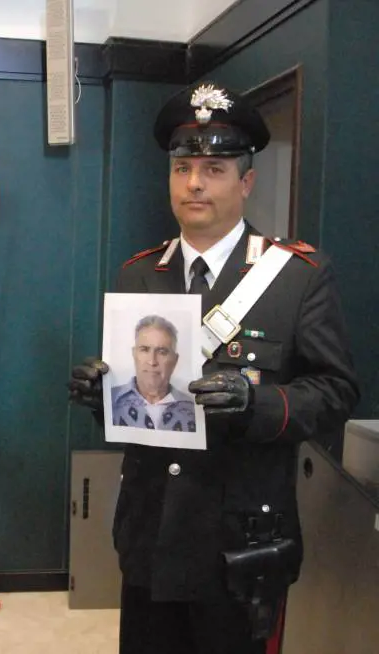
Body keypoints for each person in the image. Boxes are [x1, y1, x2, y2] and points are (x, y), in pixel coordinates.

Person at [68, 81, 359, 654]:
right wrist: (102, 395)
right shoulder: (139, 273)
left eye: (214, 169)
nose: (194, 183)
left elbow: (336, 390)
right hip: (151, 530)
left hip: (240, 539)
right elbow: (145, 403)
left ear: (246, 182)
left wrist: (258, 404)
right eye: (182, 168)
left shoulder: (296, 277)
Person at [111, 314, 196, 432]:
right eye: (144, 350)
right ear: (134, 354)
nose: (152, 361)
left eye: (162, 352)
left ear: (175, 360)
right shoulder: (109, 399)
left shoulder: (194, 409)